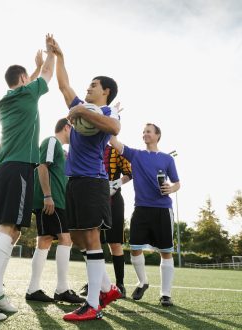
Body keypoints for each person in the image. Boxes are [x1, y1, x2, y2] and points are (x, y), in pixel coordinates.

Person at [0, 35, 56, 321]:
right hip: (18, 167)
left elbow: (29, 81)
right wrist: (50, 55)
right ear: (22, 79)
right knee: (7, 229)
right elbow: (46, 76)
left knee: (12, 231)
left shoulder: (8, 98)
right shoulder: (28, 93)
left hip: (7, 169)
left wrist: (32, 69)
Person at [50, 37, 122, 322]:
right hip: (74, 182)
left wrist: (80, 111)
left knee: (91, 238)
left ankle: (93, 305)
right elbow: (63, 86)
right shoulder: (81, 104)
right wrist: (59, 56)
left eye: (94, 85)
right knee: (78, 237)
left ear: (105, 92)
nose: (88, 87)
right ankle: (107, 288)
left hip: (93, 181)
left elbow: (114, 127)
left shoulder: (106, 111)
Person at [109, 123, 180, 307]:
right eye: (143, 132)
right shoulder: (136, 155)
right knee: (134, 248)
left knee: (166, 253)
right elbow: (113, 140)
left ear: (157, 135)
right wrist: (112, 118)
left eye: (148, 131)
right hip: (141, 208)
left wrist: (171, 188)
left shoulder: (167, 159)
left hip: (163, 210)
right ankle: (143, 282)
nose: (144, 134)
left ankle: (165, 294)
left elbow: (177, 183)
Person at [25, 118, 84, 304]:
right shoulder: (51, 141)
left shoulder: (63, 150)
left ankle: (33, 289)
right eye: (73, 129)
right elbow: (42, 166)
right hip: (52, 201)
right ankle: (62, 289)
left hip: (57, 201)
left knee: (45, 240)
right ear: (67, 127)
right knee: (65, 239)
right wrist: (47, 196)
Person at [80, 144, 132, 298]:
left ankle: (120, 284)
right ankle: (94, 282)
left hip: (114, 201)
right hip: (93, 200)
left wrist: (116, 183)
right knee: (93, 242)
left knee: (115, 243)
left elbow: (130, 172)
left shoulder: (116, 149)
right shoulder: (89, 148)